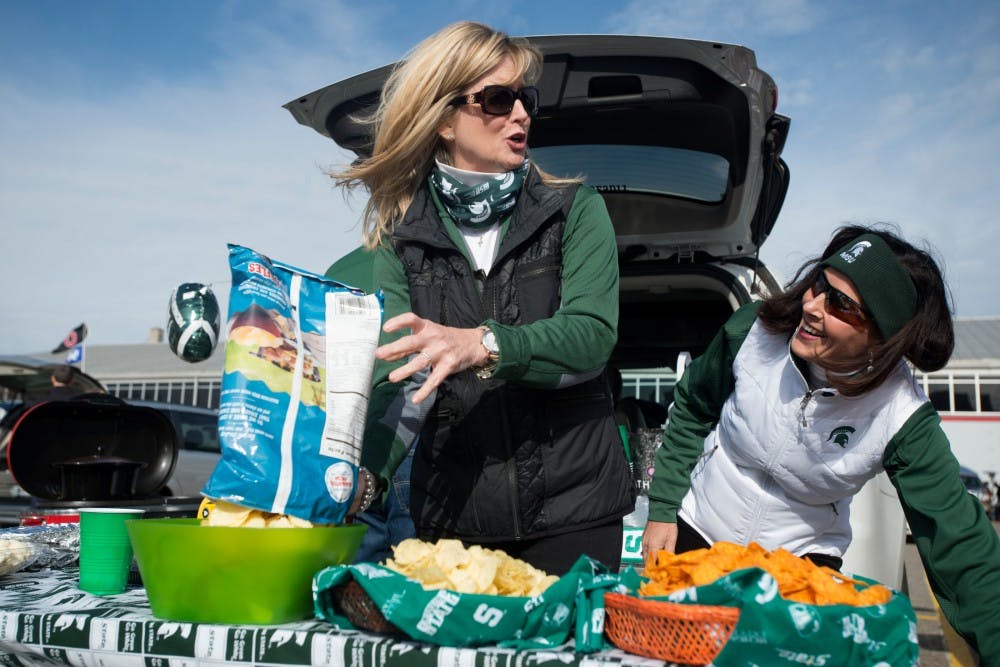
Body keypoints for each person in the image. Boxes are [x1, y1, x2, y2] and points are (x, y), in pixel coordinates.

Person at [331, 21, 634, 574]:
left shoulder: (576, 210)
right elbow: (402, 380)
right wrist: (366, 478)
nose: (521, 114)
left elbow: (591, 336)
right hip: (452, 524)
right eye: (498, 99)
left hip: (576, 515)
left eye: (525, 98)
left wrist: (484, 345)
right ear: (444, 119)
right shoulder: (401, 241)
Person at [640, 224, 1000, 662]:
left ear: (882, 337)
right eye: (819, 284)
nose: (811, 306)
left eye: (841, 304)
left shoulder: (901, 415)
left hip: (798, 576)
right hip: (698, 540)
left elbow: (959, 544)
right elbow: (694, 406)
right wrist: (663, 509)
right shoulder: (753, 332)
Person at [326, 246, 417, 563]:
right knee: (424, 585)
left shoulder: (338, 270)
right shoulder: (428, 260)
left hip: (349, 444)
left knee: (361, 587)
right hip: (409, 432)